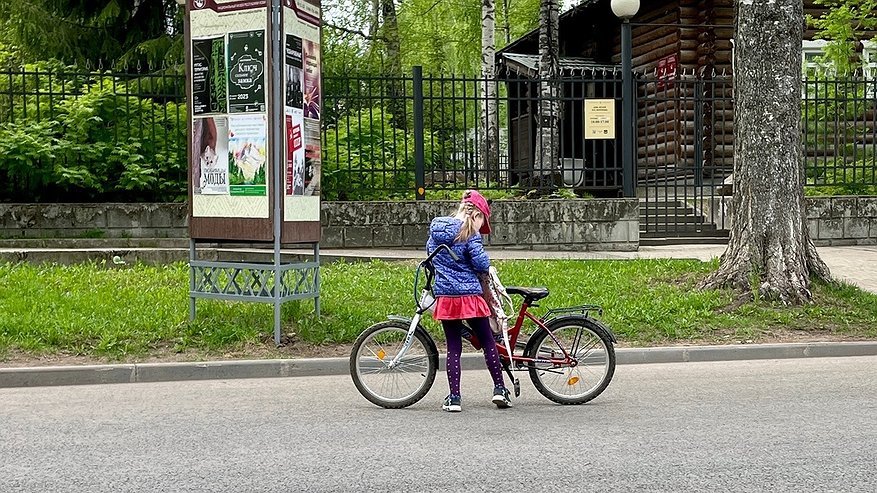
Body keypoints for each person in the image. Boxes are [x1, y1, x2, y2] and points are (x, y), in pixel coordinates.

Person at [426, 190, 512, 412]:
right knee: (487, 342)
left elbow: (430, 257)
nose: (481, 225)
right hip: (471, 297)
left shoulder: (436, 231)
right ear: (475, 215)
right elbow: (481, 264)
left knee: (453, 347)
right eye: (482, 219)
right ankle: (500, 390)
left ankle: (454, 398)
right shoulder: (470, 234)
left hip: (446, 297)